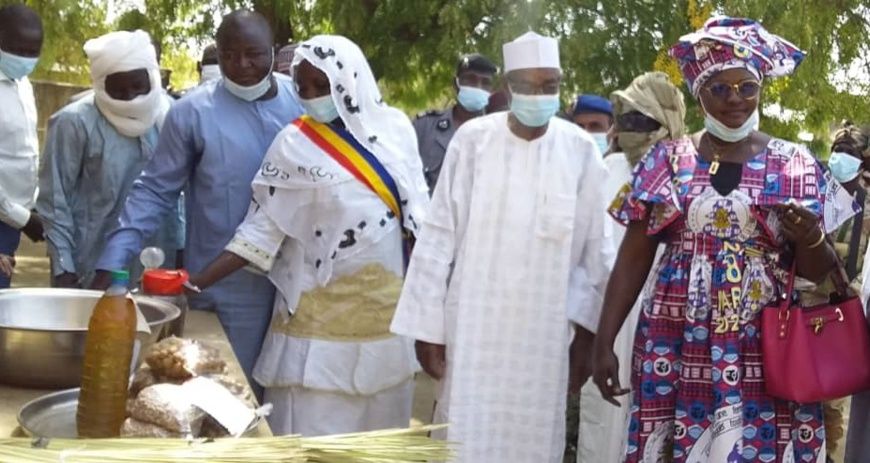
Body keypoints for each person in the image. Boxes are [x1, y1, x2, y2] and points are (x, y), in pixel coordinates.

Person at [591, 17, 855, 462]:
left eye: (747, 87)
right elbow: (633, 258)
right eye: (720, 88)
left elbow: (818, 272)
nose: (736, 98)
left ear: (760, 89)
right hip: (673, 338)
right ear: (699, 92)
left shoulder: (795, 163)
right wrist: (604, 341)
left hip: (765, 341)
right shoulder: (666, 160)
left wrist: (810, 239)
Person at [188, 35, 428, 436]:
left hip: (387, 324)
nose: (311, 95)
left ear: (350, 80)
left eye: (323, 85)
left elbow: (420, 218)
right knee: (313, 441)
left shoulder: (396, 131)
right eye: (302, 86)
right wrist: (193, 283)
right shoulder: (293, 144)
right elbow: (261, 232)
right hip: (316, 338)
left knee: (381, 440)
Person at [391, 31, 614, 463]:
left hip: (544, 340)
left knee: (532, 444)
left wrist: (586, 342)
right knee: (462, 438)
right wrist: (427, 331)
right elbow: (438, 237)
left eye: (549, 85)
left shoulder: (580, 152)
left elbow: (595, 255)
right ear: (508, 87)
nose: (539, 95)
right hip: (471, 332)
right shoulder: (473, 142)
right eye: (528, 86)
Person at [92, 10, 304, 397]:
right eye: (229, 55)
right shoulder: (192, 112)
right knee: (226, 395)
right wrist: (115, 256)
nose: (241, 66)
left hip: (304, 288)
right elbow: (155, 190)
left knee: (292, 404)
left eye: (254, 54)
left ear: (273, 52)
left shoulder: (304, 103)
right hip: (225, 286)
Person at [574, 71, 686, 463]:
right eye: (626, 120)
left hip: (665, 325)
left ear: (668, 123)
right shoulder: (606, 172)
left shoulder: (687, 176)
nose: (631, 131)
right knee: (603, 422)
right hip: (607, 318)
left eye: (643, 121)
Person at [37, 30, 178, 289]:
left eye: (138, 86)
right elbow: (54, 200)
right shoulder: (75, 122)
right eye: (119, 89)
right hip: (87, 266)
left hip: (156, 265)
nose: (130, 97)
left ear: (152, 78)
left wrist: (181, 252)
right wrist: (63, 267)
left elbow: (179, 196)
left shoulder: (172, 117)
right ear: (101, 85)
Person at [0, 4, 44, 289]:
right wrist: (24, 218)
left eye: (33, 52)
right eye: (18, 50)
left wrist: (33, 205)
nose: (25, 59)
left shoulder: (22, 84)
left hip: (12, 220)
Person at [414, 53, 498, 193]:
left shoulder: (498, 134)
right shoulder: (424, 127)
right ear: (456, 83)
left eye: (485, 83)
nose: (478, 87)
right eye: (470, 80)